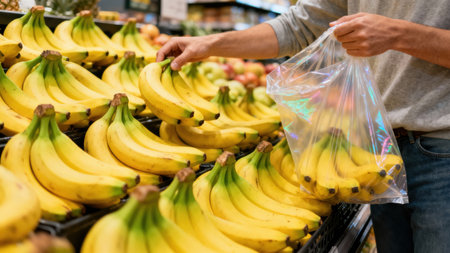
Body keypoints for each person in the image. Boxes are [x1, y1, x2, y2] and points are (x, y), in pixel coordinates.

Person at [156, 1, 450, 252]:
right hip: (379, 152)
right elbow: (300, 24)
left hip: (442, 148)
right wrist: (211, 44)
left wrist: (400, 34)